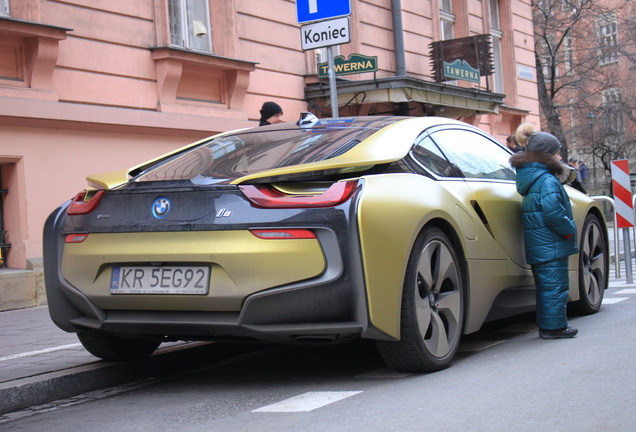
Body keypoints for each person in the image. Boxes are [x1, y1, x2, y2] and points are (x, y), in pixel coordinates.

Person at [509, 123, 579, 339]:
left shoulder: (531, 178)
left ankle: (549, 325)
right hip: (552, 243)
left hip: (540, 243)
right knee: (556, 287)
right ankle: (554, 328)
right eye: (557, 154)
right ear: (548, 156)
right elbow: (553, 212)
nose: (559, 158)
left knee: (547, 287)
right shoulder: (547, 180)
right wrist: (569, 230)